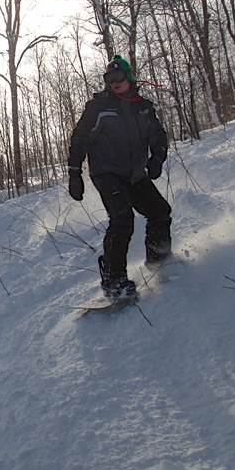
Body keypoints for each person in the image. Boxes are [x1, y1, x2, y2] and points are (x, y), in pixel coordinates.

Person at [67, 56, 172, 298]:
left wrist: (157, 159)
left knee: (160, 212)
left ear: (129, 77)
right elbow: (79, 139)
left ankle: (159, 262)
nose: (114, 83)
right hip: (107, 172)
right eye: (109, 79)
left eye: (118, 77)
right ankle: (114, 280)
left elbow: (158, 135)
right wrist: (75, 173)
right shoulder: (99, 107)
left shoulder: (144, 107)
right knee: (122, 218)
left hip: (135, 174)